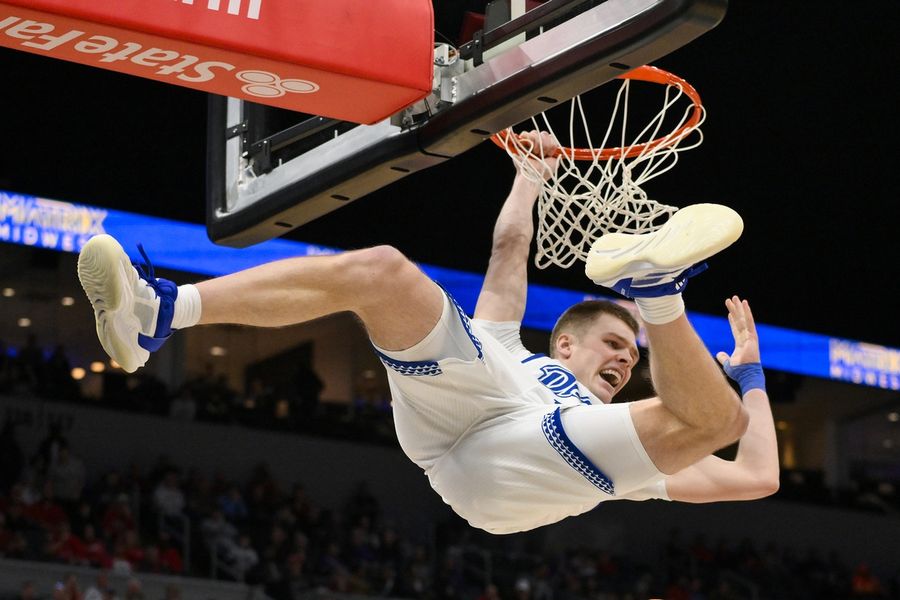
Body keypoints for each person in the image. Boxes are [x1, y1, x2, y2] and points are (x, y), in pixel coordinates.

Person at [77, 131, 779, 534]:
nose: (626, 363)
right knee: (382, 271)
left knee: (713, 417)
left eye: (633, 356)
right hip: (468, 413)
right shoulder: (512, 350)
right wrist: (529, 178)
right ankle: (160, 315)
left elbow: (757, 476)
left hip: (505, 480)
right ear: (563, 344)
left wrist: (749, 377)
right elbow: (509, 254)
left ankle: (656, 294)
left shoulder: (622, 444)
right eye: (615, 346)